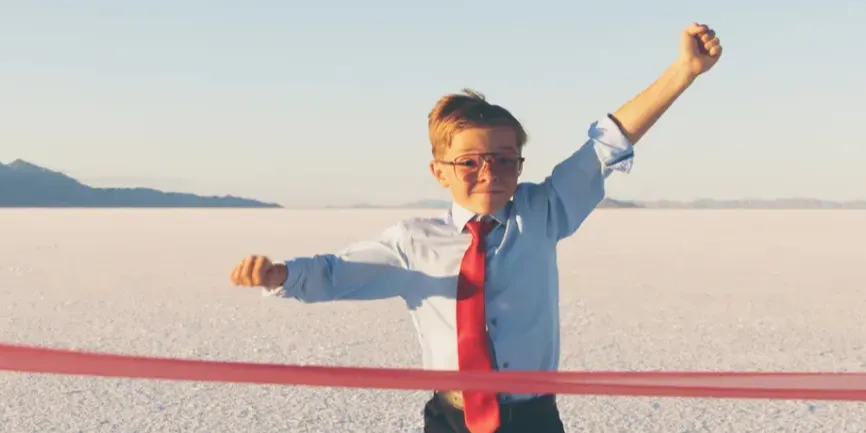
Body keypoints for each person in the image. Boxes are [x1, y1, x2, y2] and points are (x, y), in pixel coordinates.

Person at [228, 23, 724, 433]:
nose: (491, 173)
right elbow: (337, 273)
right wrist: (279, 276)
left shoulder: (542, 213)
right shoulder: (413, 243)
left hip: (533, 419)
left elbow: (608, 143)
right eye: (471, 161)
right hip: (451, 419)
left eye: (505, 160)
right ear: (438, 170)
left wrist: (683, 73)